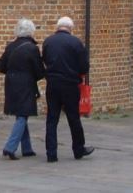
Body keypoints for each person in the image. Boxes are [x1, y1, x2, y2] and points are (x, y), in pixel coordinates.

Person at [41, 16, 93, 163]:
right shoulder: (76, 43)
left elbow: (44, 59)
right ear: (70, 28)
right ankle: (78, 149)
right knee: (73, 118)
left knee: (52, 119)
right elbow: (84, 66)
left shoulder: (48, 42)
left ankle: (51, 153)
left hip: (53, 84)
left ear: (58, 27)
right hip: (70, 84)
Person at [0, 18, 45, 160]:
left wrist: (13, 72)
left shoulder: (10, 46)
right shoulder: (32, 48)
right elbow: (39, 71)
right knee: (23, 114)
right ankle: (10, 147)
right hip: (25, 84)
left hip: (11, 83)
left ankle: (27, 148)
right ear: (31, 32)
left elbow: (0, 66)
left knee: (20, 114)